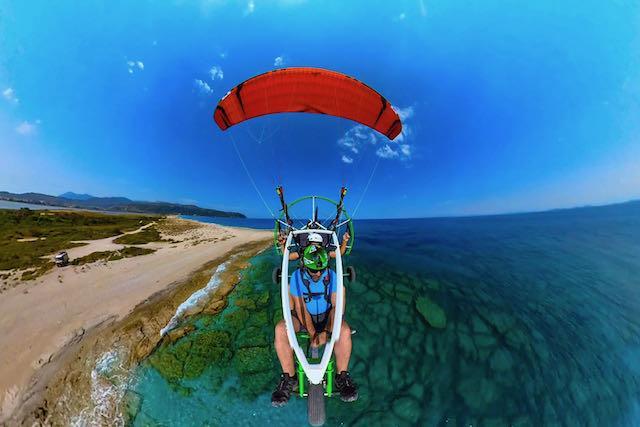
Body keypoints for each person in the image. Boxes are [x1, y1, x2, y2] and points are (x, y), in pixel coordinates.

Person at [271, 245, 358, 406]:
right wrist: (314, 334)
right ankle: (289, 378)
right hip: (303, 317)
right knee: (281, 329)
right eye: (313, 270)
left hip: (326, 317)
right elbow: (300, 308)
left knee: (344, 330)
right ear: (305, 266)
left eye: (321, 270)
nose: (318, 274)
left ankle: (342, 376)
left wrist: (325, 330)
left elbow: (336, 308)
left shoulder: (332, 276)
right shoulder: (297, 277)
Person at [278, 231, 350, 261]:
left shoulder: (325, 252)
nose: (314, 246)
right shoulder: (302, 252)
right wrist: (282, 244)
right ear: (308, 244)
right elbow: (287, 257)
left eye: (317, 244)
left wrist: (345, 241)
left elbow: (339, 254)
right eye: (312, 243)